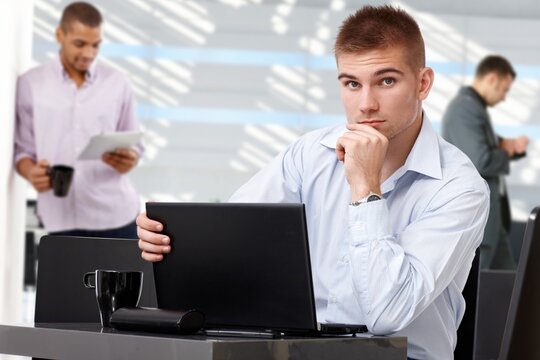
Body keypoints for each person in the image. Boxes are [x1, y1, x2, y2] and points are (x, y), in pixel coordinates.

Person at [137, 5, 489, 359]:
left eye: (386, 81)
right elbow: (234, 233)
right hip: (298, 351)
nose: (366, 104)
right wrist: (173, 238)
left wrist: (365, 189)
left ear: (423, 83)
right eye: (352, 83)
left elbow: (387, 315)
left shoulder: (459, 188)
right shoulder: (310, 154)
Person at [14, 2, 143, 238]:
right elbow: (22, 150)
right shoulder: (31, 84)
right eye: (80, 44)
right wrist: (32, 172)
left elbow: (134, 143)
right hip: (59, 218)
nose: (88, 54)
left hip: (117, 216)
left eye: (96, 45)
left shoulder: (117, 82)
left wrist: (129, 159)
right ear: (59, 34)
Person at [441, 55, 528, 270]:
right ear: (491, 79)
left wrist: (509, 146)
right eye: (504, 89)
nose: (504, 98)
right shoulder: (465, 109)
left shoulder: (475, 108)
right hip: (479, 219)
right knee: (481, 292)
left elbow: (488, 146)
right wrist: (505, 150)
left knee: (509, 287)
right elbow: (480, 160)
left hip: (493, 223)